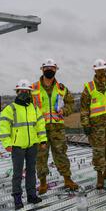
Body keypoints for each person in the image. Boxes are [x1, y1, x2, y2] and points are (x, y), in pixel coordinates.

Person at [32, 59, 79, 193]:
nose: (49, 70)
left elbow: (70, 103)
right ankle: (43, 183)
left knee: (61, 153)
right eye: (46, 68)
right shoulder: (34, 88)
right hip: (40, 127)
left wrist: (65, 111)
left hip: (57, 127)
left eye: (52, 68)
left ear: (56, 70)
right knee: (41, 155)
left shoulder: (61, 88)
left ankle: (67, 179)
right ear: (42, 69)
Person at [0, 80, 47, 210]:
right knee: (18, 173)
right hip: (17, 146)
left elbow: (40, 126)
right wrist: (7, 144)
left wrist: (43, 140)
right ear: (17, 92)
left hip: (32, 145)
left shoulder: (34, 108)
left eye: (27, 91)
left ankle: (31, 195)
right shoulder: (11, 109)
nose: (25, 93)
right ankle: (17, 198)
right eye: (22, 91)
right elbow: (4, 127)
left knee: (31, 171)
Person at [80, 59, 106, 189]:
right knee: (98, 152)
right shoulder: (89, 87)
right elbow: (84, 108)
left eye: (103, 68)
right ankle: (99, 176)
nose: (101, 71)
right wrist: (85, 124)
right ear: (95, 70)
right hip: (96, 126)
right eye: (98, 69)